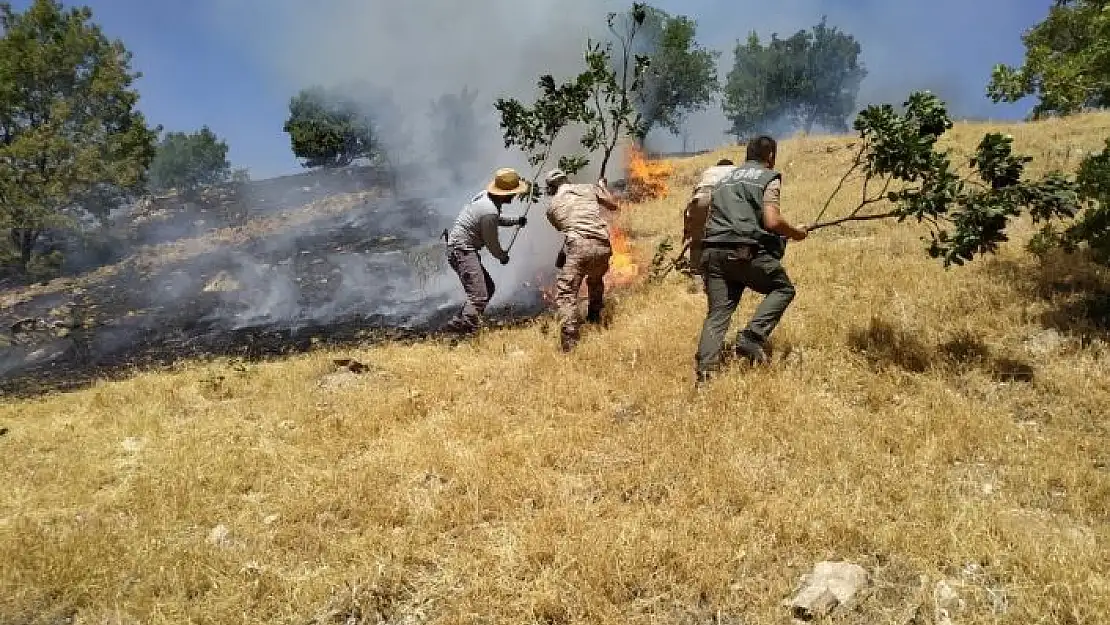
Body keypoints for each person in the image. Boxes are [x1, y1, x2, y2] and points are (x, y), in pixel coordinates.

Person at [694, 135, 809, 384]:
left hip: (712, 252)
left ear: (747, 154)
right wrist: (797, 233)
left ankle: (705, 375)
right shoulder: (769, 177)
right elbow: (772, 221)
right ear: (770, 156)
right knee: (783, 288)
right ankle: (752, 337)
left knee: (717, 314)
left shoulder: (724, 180)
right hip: (744, 251)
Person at [442, 167, 529, 334]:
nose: (515, 196)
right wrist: (502, 256)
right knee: (479, 295)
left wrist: (515, 221)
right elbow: (491, 242)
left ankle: (456, 325)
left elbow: (494, 219)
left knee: (488, 288)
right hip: (462, 250)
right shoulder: (489, 211)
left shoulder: (485, 198)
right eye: (513, 193)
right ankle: (465, 330)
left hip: (461, 249)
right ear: (506, 193)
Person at [543, 168, 620, 352]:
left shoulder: (552, 207)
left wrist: (566, 253)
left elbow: (568, 228)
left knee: (567, 294)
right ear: (566, 179)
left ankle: (570, 341)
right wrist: (602, 187)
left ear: (551, 188)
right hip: (603, 246)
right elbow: (612, 204)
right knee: (595, 280)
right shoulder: (588, 188)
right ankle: (594, 318)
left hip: (578, 247)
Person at [682, 158, 738, 293]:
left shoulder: (708, 171)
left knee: (697, 241)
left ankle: (697, 278)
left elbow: (694, 197)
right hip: (724, 198)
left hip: (700, 199)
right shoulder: (736, 170)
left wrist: (688, 230)